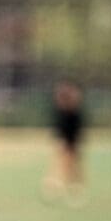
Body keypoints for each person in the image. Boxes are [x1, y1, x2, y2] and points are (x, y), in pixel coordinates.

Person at [44, 78, 86, 206]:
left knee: (73, 167)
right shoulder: (62, 112)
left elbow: (76, 130)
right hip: (64, 142)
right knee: (61, 166)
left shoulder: (74, 113)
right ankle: (55, 188)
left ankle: (73, 190)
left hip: (72, 142)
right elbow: (59, 130)